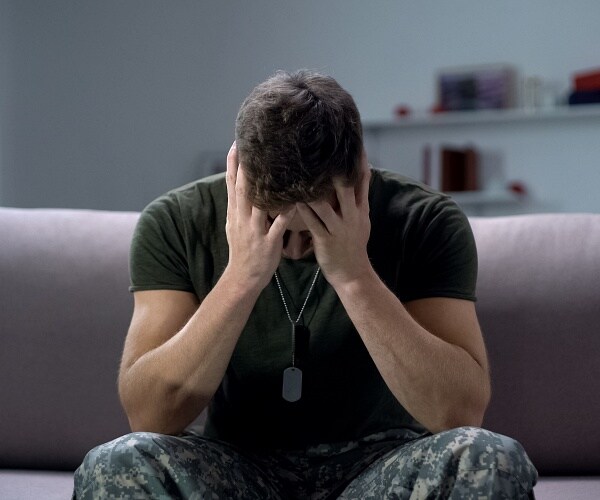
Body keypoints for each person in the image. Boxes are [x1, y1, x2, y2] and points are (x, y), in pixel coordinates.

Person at [73, 70, 537, 499]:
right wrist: (242, 277)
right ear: (238, 175)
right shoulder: (174, 221)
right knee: (115, 463)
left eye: (317, 223)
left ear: (360, 176)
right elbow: (150, 416)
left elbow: (459, 413)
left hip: (380, 466)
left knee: (489, 457)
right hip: (240, 465)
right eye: (272, 221)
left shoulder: (427, 221)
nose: (292, 248)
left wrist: (354, 276)